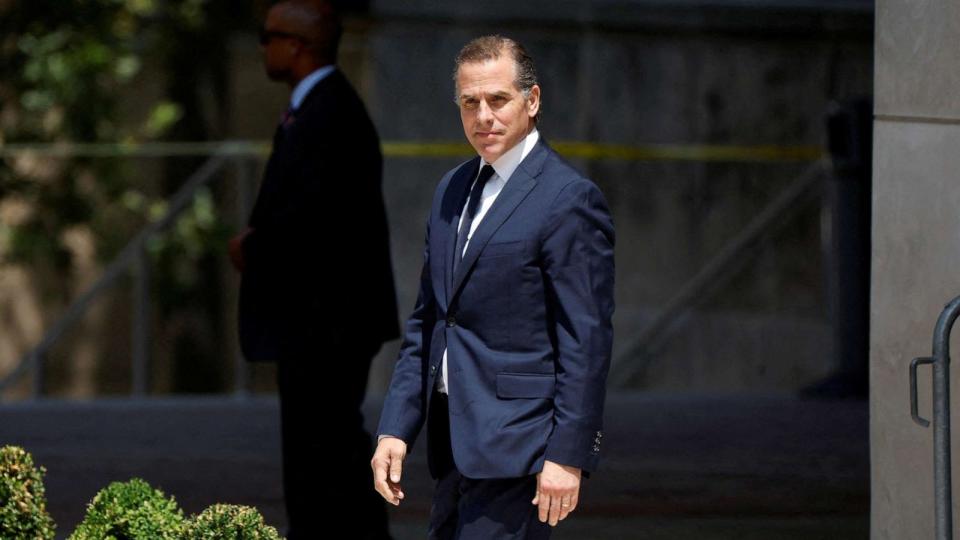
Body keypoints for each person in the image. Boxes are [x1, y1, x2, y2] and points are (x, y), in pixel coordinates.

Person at [370, 35, 615, 539]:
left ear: (533, 100)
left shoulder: (567, 199)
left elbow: (585, 340)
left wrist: (567, 456)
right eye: (470, 102)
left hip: (520, 451)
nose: (483, 116)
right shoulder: (452, 189)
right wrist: (397, 425)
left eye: (498, 100)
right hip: (454, 446)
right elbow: (430, 319)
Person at [228, 1, 398, 538]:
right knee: (321, 450)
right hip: (319, 320)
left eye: (268, 36)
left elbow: (316, 218)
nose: (262, 47)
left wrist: (256, 248)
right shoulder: (316, 107)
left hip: (327, 321)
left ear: (296, 46)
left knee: (325, 451)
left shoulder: (329, 112)